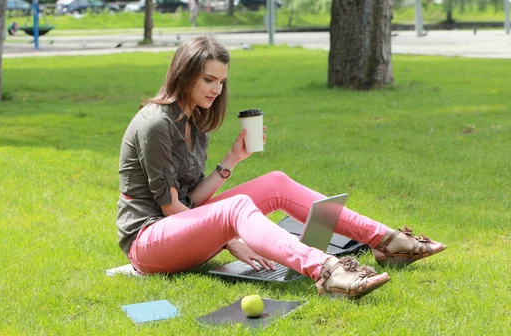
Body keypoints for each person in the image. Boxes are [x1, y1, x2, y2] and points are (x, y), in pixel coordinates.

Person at [115, 36, 446, 299]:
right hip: (147, 243)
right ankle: (326, 270)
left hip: (179, 230)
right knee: (237, 208)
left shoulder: (193, 120)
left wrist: (231, 161)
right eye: (208, 80)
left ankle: (387, 241)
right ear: (184, 75)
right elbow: (172, 208)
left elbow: (193, 203)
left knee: (275, 181)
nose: (216, 90)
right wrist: (229, 238)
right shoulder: (157, 124)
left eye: (221, 81)